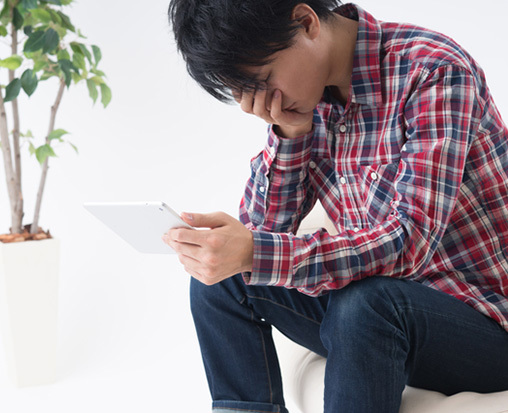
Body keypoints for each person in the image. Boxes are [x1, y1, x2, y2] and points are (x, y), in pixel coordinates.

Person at [163, 1, 508, 412]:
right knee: (223, 278)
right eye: (245, 92)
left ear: (306, 22)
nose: (256, 103)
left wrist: (257, 251)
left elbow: (409, 243)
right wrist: (289, 134)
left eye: (264, 81)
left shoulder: (432, 70)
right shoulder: (306, 99)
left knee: (366, 303)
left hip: (484, 321)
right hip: (375, 322)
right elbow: (263, 230)